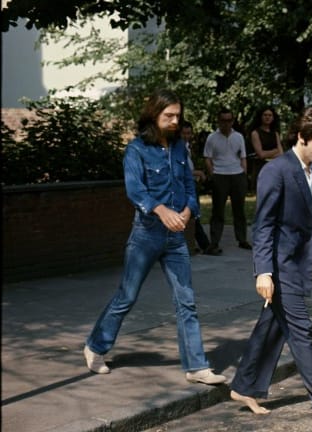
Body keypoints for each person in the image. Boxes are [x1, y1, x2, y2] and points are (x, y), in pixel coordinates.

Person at [83, 89, 226, 385]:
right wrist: (161, 211)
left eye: (177, 115)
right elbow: (135, 190)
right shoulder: (136, 150)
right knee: (127, 296)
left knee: (186, 300)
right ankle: (96, 346)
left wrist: (189, 211)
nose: (175, 121)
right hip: (146, 235)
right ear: (154, 115)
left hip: (176, 238)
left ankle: (196, 366)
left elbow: (189, 186)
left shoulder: (179, 149)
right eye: (168, 116)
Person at [229, 107, 312, 429]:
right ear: (301, 137)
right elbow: (263, 225)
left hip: (301, 263)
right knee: (302, 333)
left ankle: (244, 386)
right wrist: (263, 271)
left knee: (273, 326)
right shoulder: (277, 170)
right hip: (281, 265)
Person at [203, 108, 251, 254]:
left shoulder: (239, 137)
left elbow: (243, 157)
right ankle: (214, 241)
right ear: (218, 121)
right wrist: (213, 174)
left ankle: (242, 239)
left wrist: (244, 173)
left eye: (229, 120)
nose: (226, 123)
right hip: (220, 175)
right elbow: (207, 157)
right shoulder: (212, 137)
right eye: (223, 120)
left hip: (237, 174)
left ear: (233, 121)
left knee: (239, 210)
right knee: (218, 211)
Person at [181, 121, 211, 253]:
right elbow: (181, 170)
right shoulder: (177, 148)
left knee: (194, 214)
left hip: (190, 183)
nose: (186, 136)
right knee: (193, 213)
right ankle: (204, 244)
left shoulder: (186, 146)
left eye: (189, 133)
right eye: (184, 133)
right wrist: (198, 173)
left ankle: (197, 244)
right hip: (184, 185)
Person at [247, 106, 285, 193]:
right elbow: (261, 154)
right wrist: (275, 151)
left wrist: (269, 153)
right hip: (261, 168)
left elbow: (281, 153)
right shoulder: (255, 133)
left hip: (275, 168)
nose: (267, 117)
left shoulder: (275, 133)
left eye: (270, 115)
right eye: (265, 115)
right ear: (260, 117)